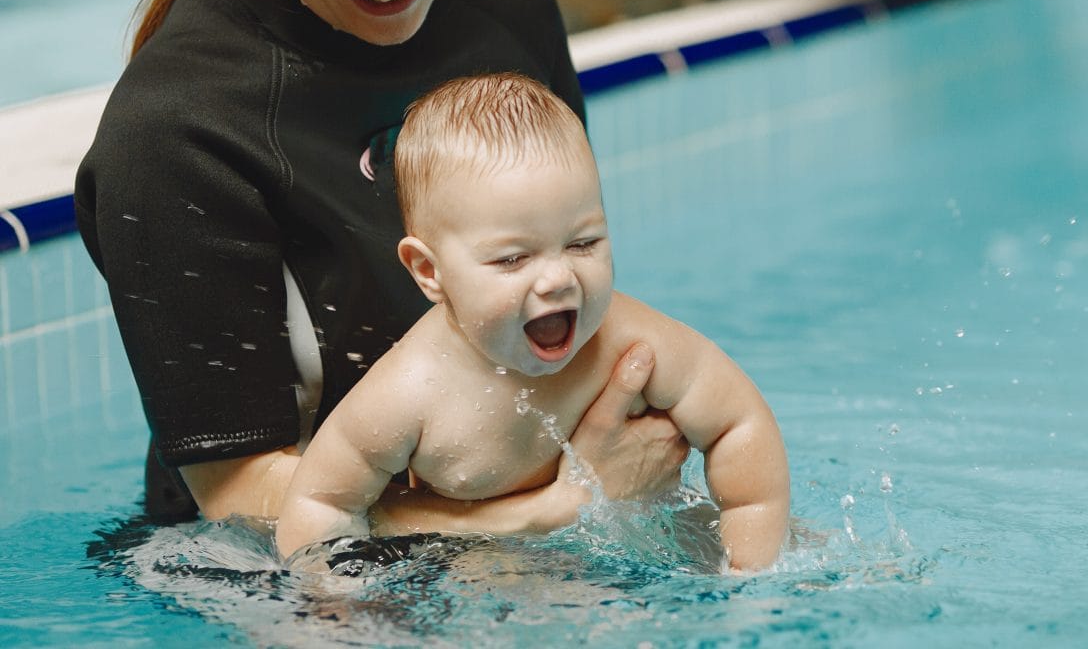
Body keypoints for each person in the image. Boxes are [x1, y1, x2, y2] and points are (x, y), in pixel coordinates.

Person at [74, 0, 687, 534]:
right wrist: (561, 508)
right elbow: (239, 499)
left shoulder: (510, 9)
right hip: (275, 584)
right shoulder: (177, 132)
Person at [275, 73, 790, 571]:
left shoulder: (631, 340)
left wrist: (751, 568)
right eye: (512, 260)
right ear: (430, 272)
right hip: (490, 583)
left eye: (583, 242)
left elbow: (738, 424)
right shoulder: (409, 392)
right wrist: (335, 608)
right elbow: (320, 506)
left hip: (648, 558)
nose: (558, 278)